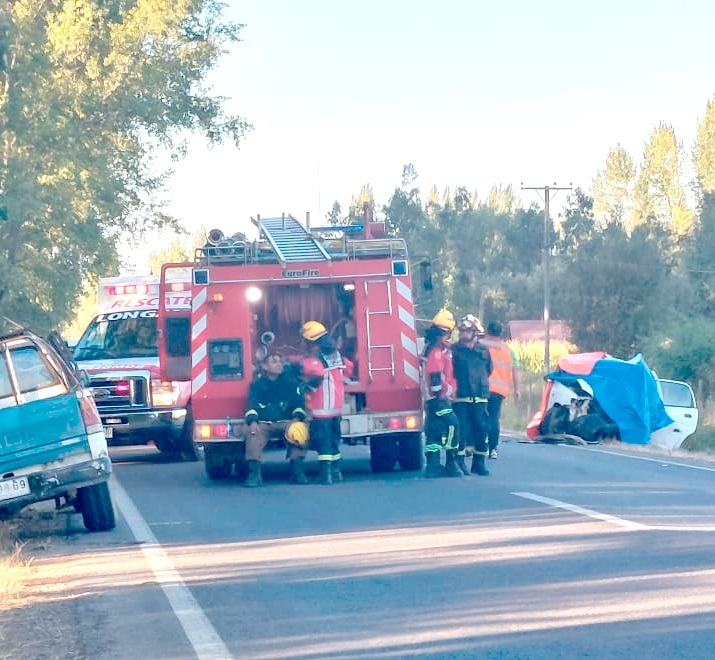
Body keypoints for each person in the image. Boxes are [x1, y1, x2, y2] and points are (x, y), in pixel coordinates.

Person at [300, 320, 354, 485]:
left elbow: (315, 376)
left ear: (311, 341)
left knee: (322, 443)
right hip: (336, 407)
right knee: (333, 441)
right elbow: (349, 367)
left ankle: (325, 475)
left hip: (320, 408)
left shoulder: (314, 359)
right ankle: (336, 471)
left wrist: (303, 388)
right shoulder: (337, 355)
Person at [244, 353, 309, 487]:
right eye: (274, 361)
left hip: (287, 422)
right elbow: (251, 405)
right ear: (264, 366)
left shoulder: (291, 383)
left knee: (299, 430)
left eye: (280, 361)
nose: (279, 364)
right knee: (253, 433)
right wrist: (253, 421)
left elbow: (300, 404)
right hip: (264, 424)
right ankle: (254, 474)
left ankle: (298, 472)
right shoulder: (256, 385)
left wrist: (297, 420)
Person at [421, 309, 462, 478]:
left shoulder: (432, 347)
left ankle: (433, 466)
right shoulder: (436, 350)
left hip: (433, 398)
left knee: (435, 430)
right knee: (453, 425)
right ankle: (451, 462)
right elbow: (435, 373)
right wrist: (439, 394)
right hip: (438, 398)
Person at [451, 314, 492, 476]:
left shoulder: (483, 351)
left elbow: (489, 369)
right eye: (462, 331)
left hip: (480, 397)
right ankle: (459, 461)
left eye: (467, 331)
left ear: (474, 333)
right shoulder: (454, 350)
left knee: (481, 429)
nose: (464, 334)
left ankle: (479, 463)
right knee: (461, 430)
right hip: (461, 397)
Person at [480, 320, 521, 459]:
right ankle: (493, 449)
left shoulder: (480, 345)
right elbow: (515, 369)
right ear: (501, 333)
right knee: (493, 419)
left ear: (487, 331)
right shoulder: (508, 350)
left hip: (481, 388)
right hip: (499, 391)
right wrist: (517, 389)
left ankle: (478, 446)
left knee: (479, 417)